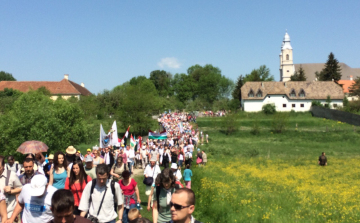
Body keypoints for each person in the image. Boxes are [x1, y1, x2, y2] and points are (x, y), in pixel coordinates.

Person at [0, 155, 22, 221]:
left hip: (9, 213)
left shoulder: (11, 175)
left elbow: (21, 188)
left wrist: (11, 191)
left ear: (3, 166)